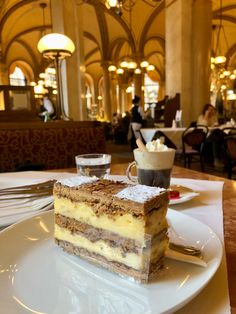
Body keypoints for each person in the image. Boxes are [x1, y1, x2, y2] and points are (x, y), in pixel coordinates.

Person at [197, 104, 225, 168]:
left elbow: (215, 125)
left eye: (212, 110)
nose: (212, 111)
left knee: (219, 136)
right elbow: (203, 128)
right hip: (204, 138)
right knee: (216, 137)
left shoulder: (214, 117)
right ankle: (217, 160)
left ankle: (222, 160)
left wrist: (216, 126)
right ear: (206, 110)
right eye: (210, 110)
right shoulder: (201, 117)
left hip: (212, 136)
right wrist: (206, 117)